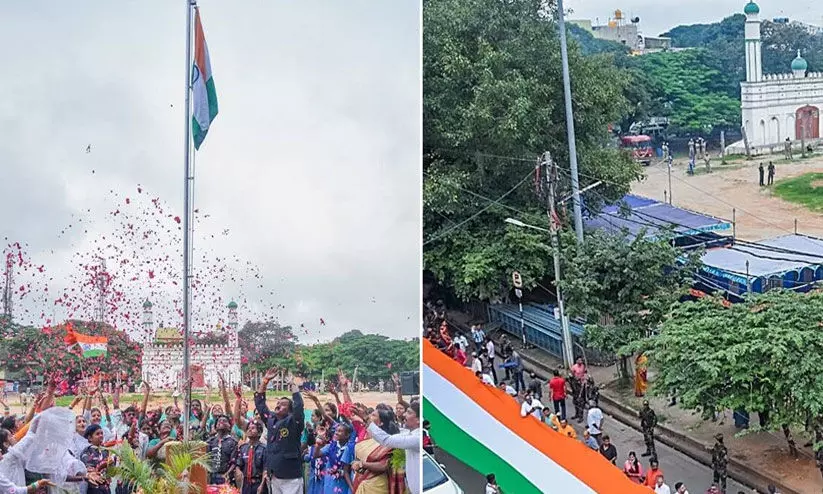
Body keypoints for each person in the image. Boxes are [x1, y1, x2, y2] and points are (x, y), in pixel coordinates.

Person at [255, 368, 305, 494]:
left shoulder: (294, 422)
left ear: (290, 410)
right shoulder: (270, 420)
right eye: (278, 403)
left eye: (283, 404)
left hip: (291, 477)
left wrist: (293, 386)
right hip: (274, 475)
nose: (278, 405)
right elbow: (260, 403)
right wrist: (265, 381)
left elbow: (299, 407)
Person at [367, 401, 421, 494]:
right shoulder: (407, 433)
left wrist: (368, 421)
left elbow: (387, 440)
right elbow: (390, 436)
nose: (404, 415)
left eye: (409, 413)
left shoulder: (417, 438)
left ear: (418, 420)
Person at [235, 420, 267, 494]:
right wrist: (238, 470)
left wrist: (261, 486)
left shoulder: (264, 449)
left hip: (258, 483)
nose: (250, 430)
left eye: (253, 428)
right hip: (246, 484)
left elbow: (265, 469)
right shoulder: (243, 448)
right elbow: (238, 464)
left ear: (259, 433)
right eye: (248, 428)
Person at [206, 414, 239, 484]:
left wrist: (227, 474)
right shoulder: (210, 441)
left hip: (226, 475)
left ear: (229, 427)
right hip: (212, 476)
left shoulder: (233, 442)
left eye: (224, 421)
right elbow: (207, 460)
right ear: (215, 427)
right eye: (219, 421)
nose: (221, 422)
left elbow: (234, 462)